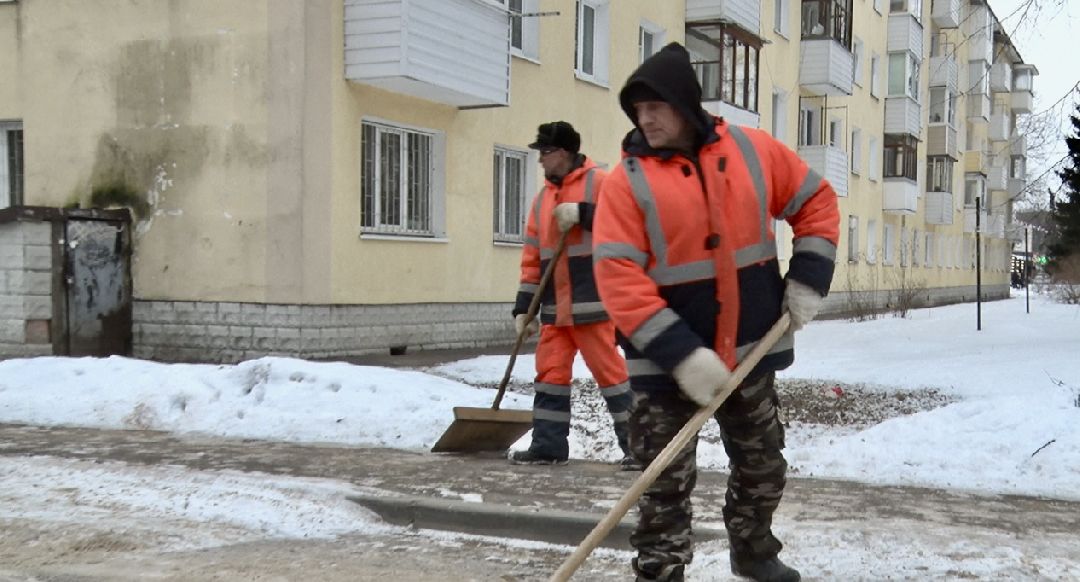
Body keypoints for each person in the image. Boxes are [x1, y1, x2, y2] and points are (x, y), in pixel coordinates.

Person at [592, 43, 840, 582]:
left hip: (750, 351)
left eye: (655, 105)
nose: (645, 117)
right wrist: (681, 355)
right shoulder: (626, 183)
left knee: (762, 465)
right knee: (663, 481)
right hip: (662, 367)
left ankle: (754, 552)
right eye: (637, 109)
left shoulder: (754, 153)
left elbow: (817, 203)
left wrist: (808, 280)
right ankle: (661, 571)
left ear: (684, 102)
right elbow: (618, 280)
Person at [508, 121, 640, 471]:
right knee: (550, 377)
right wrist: (524, 309)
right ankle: (548, 446)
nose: (540, 160)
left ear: (563, 153)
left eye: (545, 153)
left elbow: (628, 221)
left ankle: (640, 448)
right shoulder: (541, 202)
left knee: (613, 379)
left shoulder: (601, 183)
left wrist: (583, 214)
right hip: (555, 311)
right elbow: (533, 261)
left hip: (593, 308)